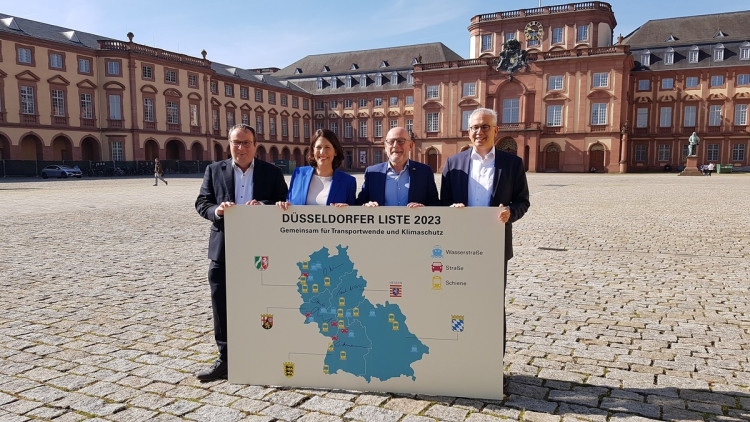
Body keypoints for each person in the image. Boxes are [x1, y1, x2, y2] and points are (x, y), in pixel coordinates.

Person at [194, 124, 288, 381]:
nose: (241, 148)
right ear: (229, 144)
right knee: (221, 305)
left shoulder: (271, 172)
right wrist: (218, 210)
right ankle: (226, 359)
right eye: (236, 142)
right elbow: (202, 203)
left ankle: (262, 354)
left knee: (261, 302)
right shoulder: (214, 170)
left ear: (255, 145)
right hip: (223, 248)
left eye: (246, 142)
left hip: (260, 251)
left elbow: (283, 200)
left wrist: (264, 205)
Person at [440, 108, 530, 363]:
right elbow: (443, 201)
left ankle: (491, 365)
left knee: (491, 306)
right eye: (474, 128)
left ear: (495, 130)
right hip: (459, 246)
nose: (479, 132)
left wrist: (510, 212)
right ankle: (459, 359)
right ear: (468, 132)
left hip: (494, 247)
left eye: (485, 127)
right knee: (458, 302)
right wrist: (451, 209)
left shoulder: (512, 164)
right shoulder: (453, 163)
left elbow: (523, 201)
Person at [356, 127, 439, 207]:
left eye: (401, 141)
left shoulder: (424, 172)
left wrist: (425, 209)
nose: (395, 145)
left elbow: (435, 204)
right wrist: (366, 205)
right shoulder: (372, 173)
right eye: (391, 142)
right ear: (385, 147)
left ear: (411, 145)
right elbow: (360, 203)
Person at [277, 129, 356, 209]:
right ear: (312, 151)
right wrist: (284, 205)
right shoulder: (298, 174)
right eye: (318, 147)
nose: (322, 152)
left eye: (327, 147)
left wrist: (348, 209)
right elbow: (290, 202)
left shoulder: (348, 181)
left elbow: (354, 214)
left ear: (335, 152)